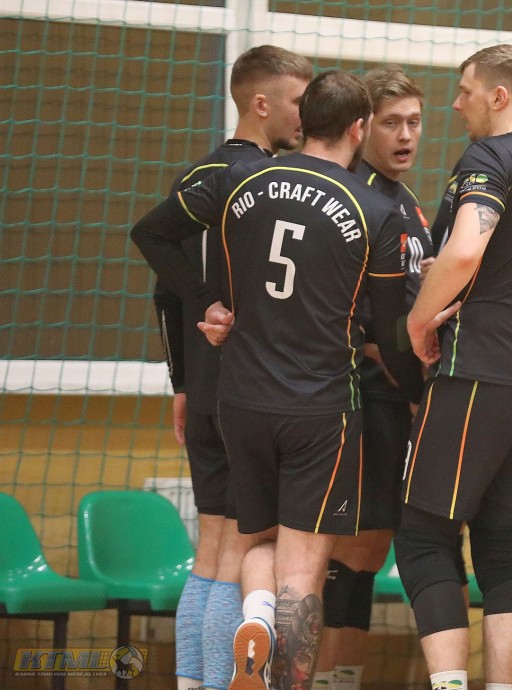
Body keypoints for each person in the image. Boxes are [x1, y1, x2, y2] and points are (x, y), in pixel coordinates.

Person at [131, 69, 450, 690]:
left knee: (255, 543)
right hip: (321, 407)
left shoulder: (239, 179)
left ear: (304, 122)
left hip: (240, 399)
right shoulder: (376, 209)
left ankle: (254, 617)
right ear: (359, 128)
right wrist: (418, 389)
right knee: (303, 568)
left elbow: (152, 234)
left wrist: (209, 302)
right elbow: (388, 332)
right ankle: (284, 673)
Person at [393, 44, 512, 690]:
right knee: (505, 545)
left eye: (466, 90)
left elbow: (466, 252)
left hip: (483, 368)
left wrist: (419, 320)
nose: (457, 105)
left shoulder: (491, 156)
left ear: (499, 97)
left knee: (424, 537)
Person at [140, 44, 313, 690]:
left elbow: (166, 292)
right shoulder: (263, 184)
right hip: (247, 392)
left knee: (211, 551)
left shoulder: (198, 175)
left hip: (204, 388)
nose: (305, 115)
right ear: (260, 103)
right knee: (243, 551)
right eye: (297, 102)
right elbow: (155, 245)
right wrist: (215, 306)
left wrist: (182, 382)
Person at [312, 64, 434, 690]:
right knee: (345, 553)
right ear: (362, 129)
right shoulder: (355, 197)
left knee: (370, 550)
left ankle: (342, 679)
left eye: (414, 122)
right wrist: (410, 383)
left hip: (398, 396)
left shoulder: (407, 202)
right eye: (391, 123)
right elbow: (361, 320)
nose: (406, 135)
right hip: (361, 397)